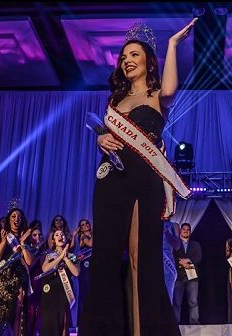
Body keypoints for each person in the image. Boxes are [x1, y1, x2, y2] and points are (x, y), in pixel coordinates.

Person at [79, 18, 197, 336]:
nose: (127, 60)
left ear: (147, 61)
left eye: (134, 55)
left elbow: (172, 88)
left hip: (143, 181)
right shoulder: (115, 102)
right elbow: (106, 136)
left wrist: (172, 45)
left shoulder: (157, 95)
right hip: (110, 182)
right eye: (123, 56)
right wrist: (99, 139)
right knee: (107, 258)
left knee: (139, 258)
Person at [0, 207, 34, 336]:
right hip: (3, 279)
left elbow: (29, 261)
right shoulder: (3, 236)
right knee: (3, 313)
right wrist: (3, 241)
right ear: (9, 219)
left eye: (19, 216)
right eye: (13, 216)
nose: (16, 219)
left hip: (19, 278)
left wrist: (22, 243)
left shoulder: (26, 239)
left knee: (18, 312)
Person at [40, 229, 80, 336]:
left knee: (63, 320)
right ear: (53, 240)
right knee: (49, 322)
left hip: (64, 291)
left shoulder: (72, 256)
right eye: (57, 235)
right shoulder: (48, 255)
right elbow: (45, 269)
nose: (60, 236)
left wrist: (65, 257)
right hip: (50, 291)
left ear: (66, 239)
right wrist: (60, 257)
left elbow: (76, 273)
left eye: (62, 235)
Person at [172, 223, 202, 325]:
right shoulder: (175, 244)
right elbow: (171, 257)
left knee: (193, 302)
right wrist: (180, 262)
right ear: (180, 231)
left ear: (190, 231)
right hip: (178, 277)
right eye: (184, 229)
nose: (185, 231)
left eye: (188, 229)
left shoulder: (195, 244)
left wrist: (187, 261)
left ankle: (194, 323)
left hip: (192, 277)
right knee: (177, 302)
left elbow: (198, 257)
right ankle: (175, 324)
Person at [163, 221, 181, 303]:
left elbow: (177, 246)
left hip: (167, 260)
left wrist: (167, 233)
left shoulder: (174, 225)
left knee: (168, 291)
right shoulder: (151, 222)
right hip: (153, 257)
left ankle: (167, 314)